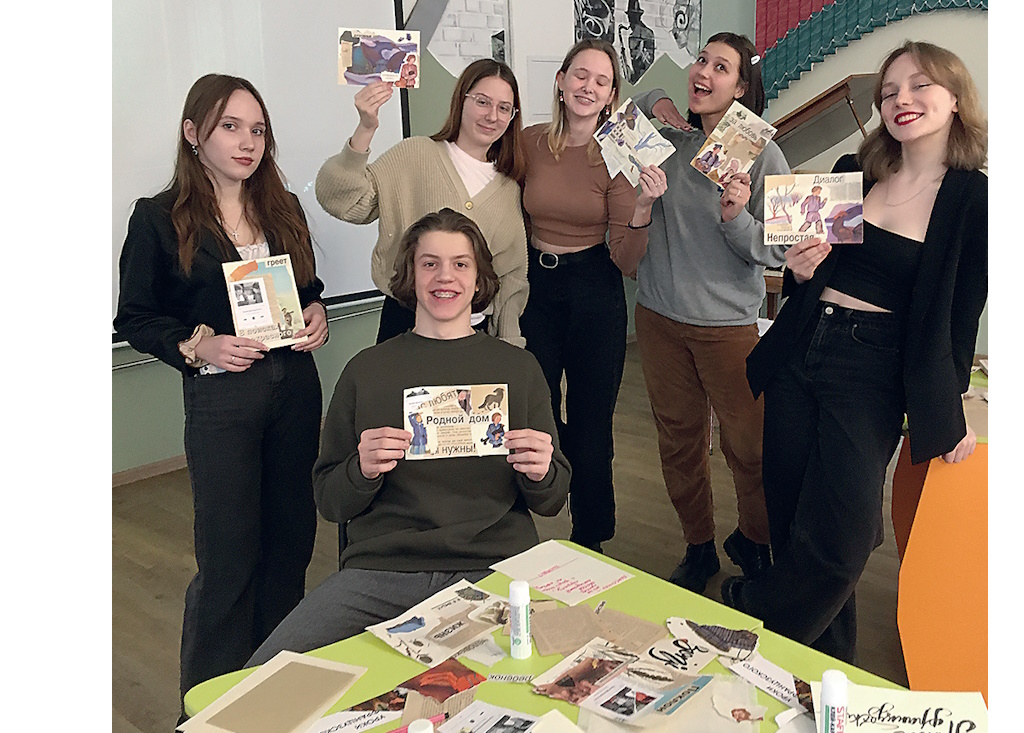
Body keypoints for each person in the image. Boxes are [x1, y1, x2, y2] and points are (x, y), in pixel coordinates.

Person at [723, 42, 988, 664]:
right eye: (889, 91)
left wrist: (948, 405)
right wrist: (798, 268)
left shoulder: (974, 199)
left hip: (872, 367)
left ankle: (751, 614)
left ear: (955, 99)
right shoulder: (854, 171)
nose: (902, 100)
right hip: (801, 350)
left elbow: (960, 313)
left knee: (842, 538)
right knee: (792, 517)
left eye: (920, 86)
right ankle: (823, 667)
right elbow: (808, 276)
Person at [247, 208, 570, 663]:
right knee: (261, 678)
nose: (445, 276)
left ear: (479, 279)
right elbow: (331, 502)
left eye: (461, 264)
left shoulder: (518, 368)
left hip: (496, 568)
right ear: (410, 276)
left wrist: (541, 472)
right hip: (382, 573)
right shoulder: (367, 370)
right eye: (429, 263)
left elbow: (551, 499)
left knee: (533, 680)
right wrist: (361, 470)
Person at [113, 74, 329, 705]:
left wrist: (316, 312)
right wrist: (197, 346)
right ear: (193, 133)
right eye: (230, 127)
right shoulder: (157, 218)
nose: (247, 142)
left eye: (257, 130)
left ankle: (274, 687)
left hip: (294, 386)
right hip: (222, 397)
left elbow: (307, 288)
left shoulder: (283, 208)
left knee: (290, 544)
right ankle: (208, 704)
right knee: (229, 554)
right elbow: (135, 317)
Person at [630, 32, 791, 592]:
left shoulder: (762, 153)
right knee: (679, 442)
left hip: (728, 328)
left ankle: (755, 541)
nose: (703, 72)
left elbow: (779, 250)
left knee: (749, 447)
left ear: (742, 88)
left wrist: (736, 217)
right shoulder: (668, 140)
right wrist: (658, 102)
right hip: (658, 319)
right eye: (701, 60)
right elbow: (623, 111)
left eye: (721, 67)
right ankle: (697, 546)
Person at [520, 39, 667, 552]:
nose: (588, 87)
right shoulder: (528, 142)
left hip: (593, 290)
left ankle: (591, 536)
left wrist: (643, 207)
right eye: (580, 75)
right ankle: (527, 513)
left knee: (591, 425)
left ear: (611, 97)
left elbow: (625, 260)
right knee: (532, 410)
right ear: (561, 81)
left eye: (601, 81)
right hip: (534, 289)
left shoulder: (618, 155)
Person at [317, 58, 528, 347]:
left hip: (474, 334)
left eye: (504, 108)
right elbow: (343, 201)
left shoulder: (508, 188)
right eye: (482, 102)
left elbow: (511, 274)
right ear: (461, 100)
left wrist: (509, 340)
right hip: (407, 322)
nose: (492, 116)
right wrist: (365, 128)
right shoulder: (415, 154)